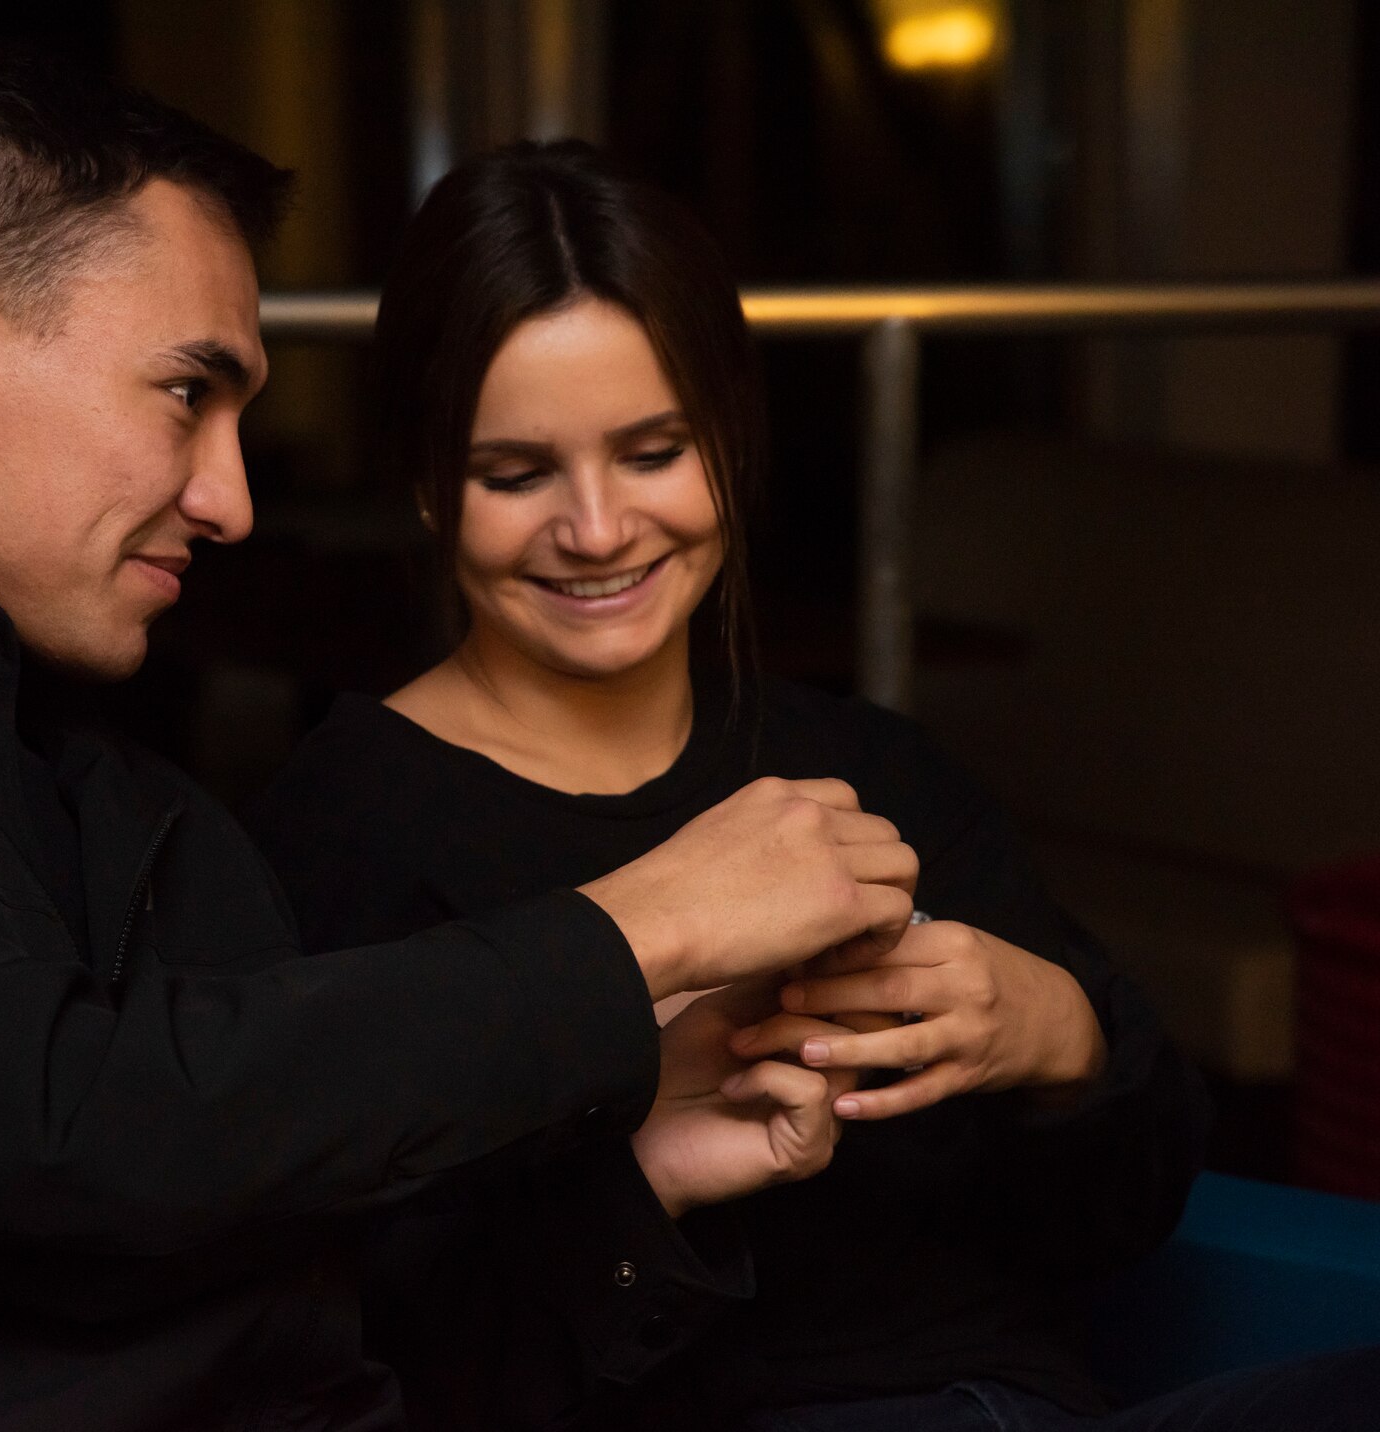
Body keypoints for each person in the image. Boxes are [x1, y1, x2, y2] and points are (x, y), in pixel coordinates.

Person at [0, 48, 924, 1432]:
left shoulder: (142, 820)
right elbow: (74, 1129)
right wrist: (640, 928)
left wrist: (634, 1179)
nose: (231, 499)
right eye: (188, 393)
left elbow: (347, 1337)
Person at [246, 140, 1376, 1430]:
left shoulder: (863, 767)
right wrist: (638, 1183)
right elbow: (357, 1351)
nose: (601, 528)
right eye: (518, 475)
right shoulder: (341, 832)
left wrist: (1059, 1038)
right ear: (428, 493)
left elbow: (1116, 1220)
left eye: (656, 451)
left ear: (728, 443)